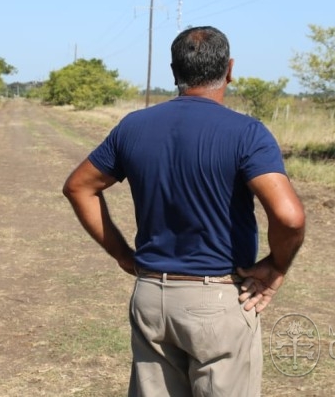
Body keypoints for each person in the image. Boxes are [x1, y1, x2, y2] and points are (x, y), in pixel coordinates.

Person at [62, 26, 305, 397]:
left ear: (174, 71)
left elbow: (79, 186)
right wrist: (277, 266)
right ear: (230, 69)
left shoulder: (133, 127)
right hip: (218, 299)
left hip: (151, 296)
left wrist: (123, 255)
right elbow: (289, 217)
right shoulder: (247, 134)